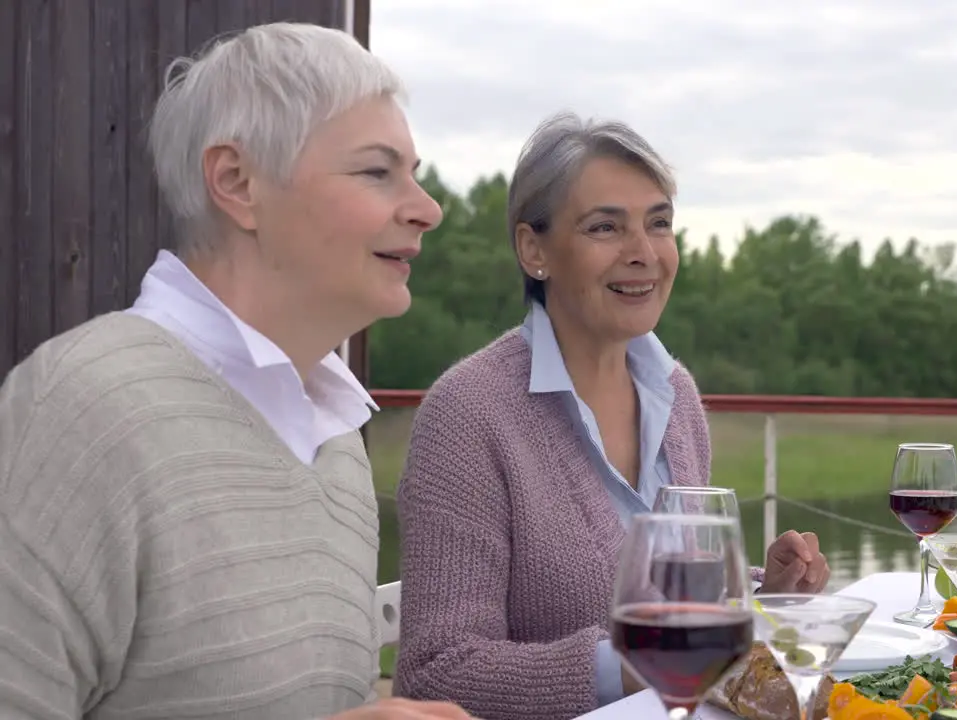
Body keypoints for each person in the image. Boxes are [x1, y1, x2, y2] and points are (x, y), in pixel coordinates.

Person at [0, 22, 471, 720]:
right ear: (237, 182)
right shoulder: (75, 413)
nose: (426, 210)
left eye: (415, 174)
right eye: (377, 171)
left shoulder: (335, 439)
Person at [393, 112, 831, 720]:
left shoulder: (677, 396)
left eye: (659, 224)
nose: (644, 253)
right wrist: (635, 662)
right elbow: (433, 675)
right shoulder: (468, 414)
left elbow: (678, 603)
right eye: (606, 227)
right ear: (534, 248)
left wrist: (763, 596)